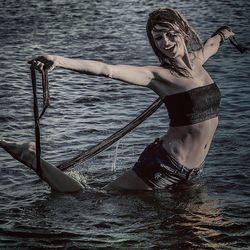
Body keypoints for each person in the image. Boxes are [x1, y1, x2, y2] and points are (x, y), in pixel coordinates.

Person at [1, 8, 235, 192]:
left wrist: (225, 33)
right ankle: (30, 157)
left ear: (183, 31)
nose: (165, 42)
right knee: (89, 198)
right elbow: (107, 69)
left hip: (192, 171)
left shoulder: (198, 60)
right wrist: (59, 60)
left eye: (170, 34)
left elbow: (212, 43)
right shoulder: (158, 76)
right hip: (164, 167)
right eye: (158, 38)